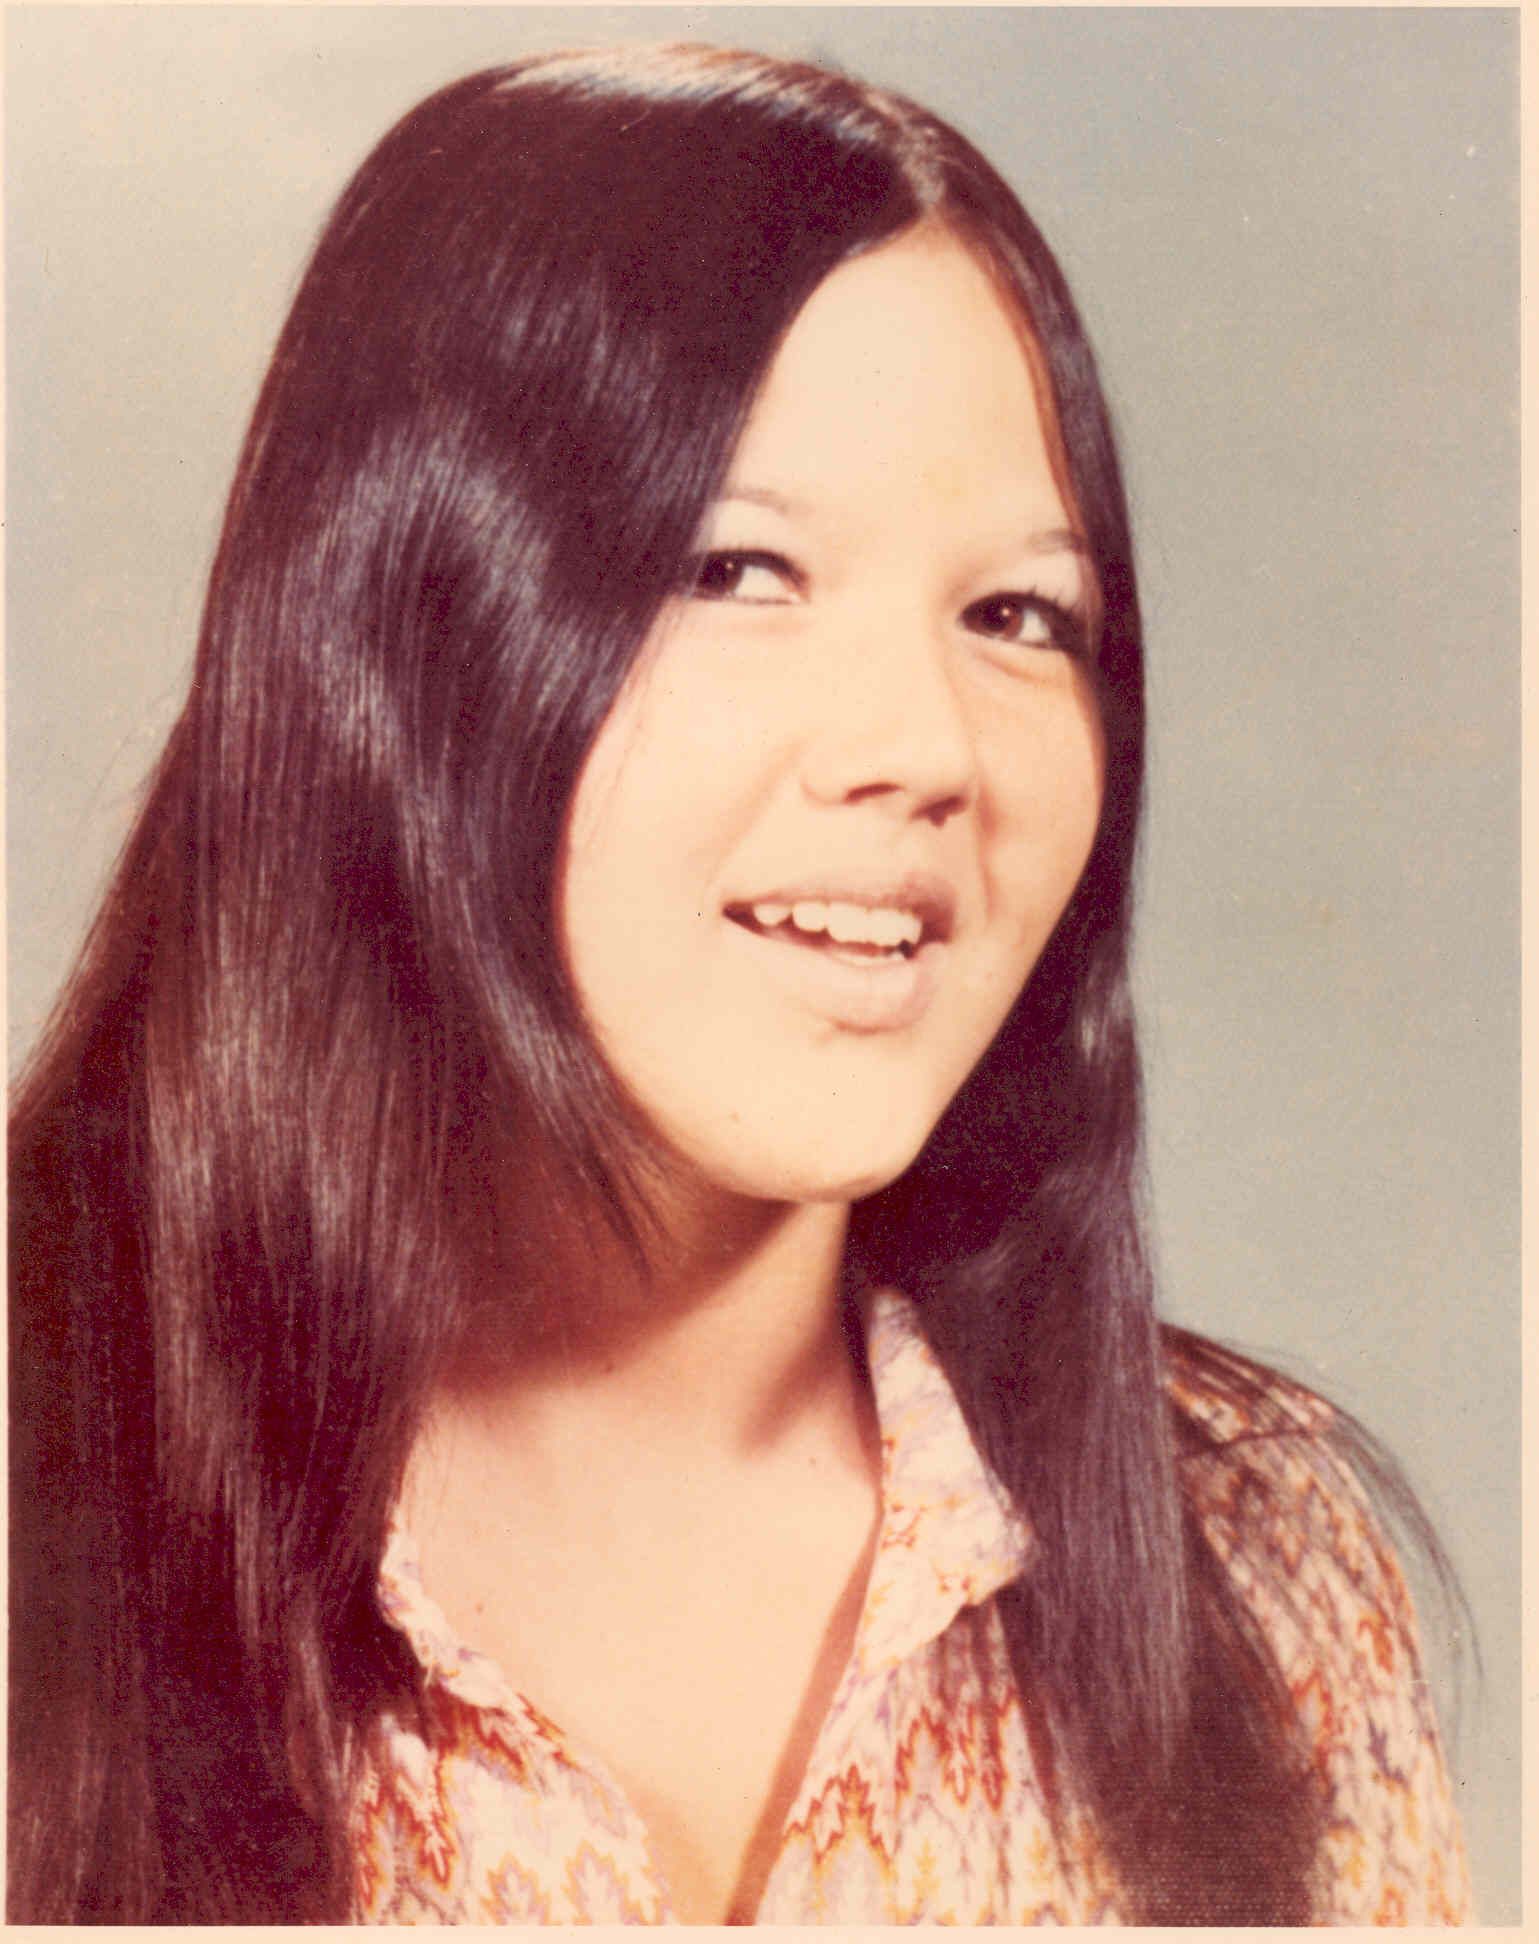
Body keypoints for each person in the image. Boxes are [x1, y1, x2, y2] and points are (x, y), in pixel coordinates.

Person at [7, 43, 1472, 1926]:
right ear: (391, 634)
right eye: (739, 568)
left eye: (1017, 615)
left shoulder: (1257, 1577)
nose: (924, 747)